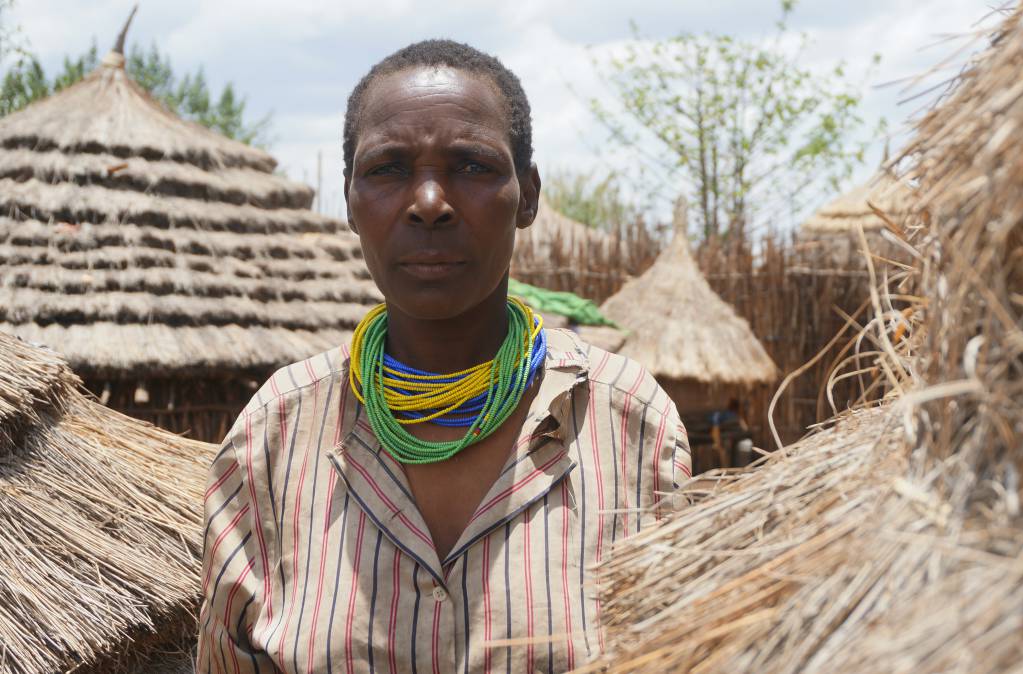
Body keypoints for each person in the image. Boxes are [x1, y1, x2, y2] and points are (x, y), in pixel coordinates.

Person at [195, 40, 691, 673]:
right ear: (350, 201)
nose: (429, 203)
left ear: (529, 196)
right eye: (389, 169)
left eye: (472, 166)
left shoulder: (631, 427)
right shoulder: (274, 438)